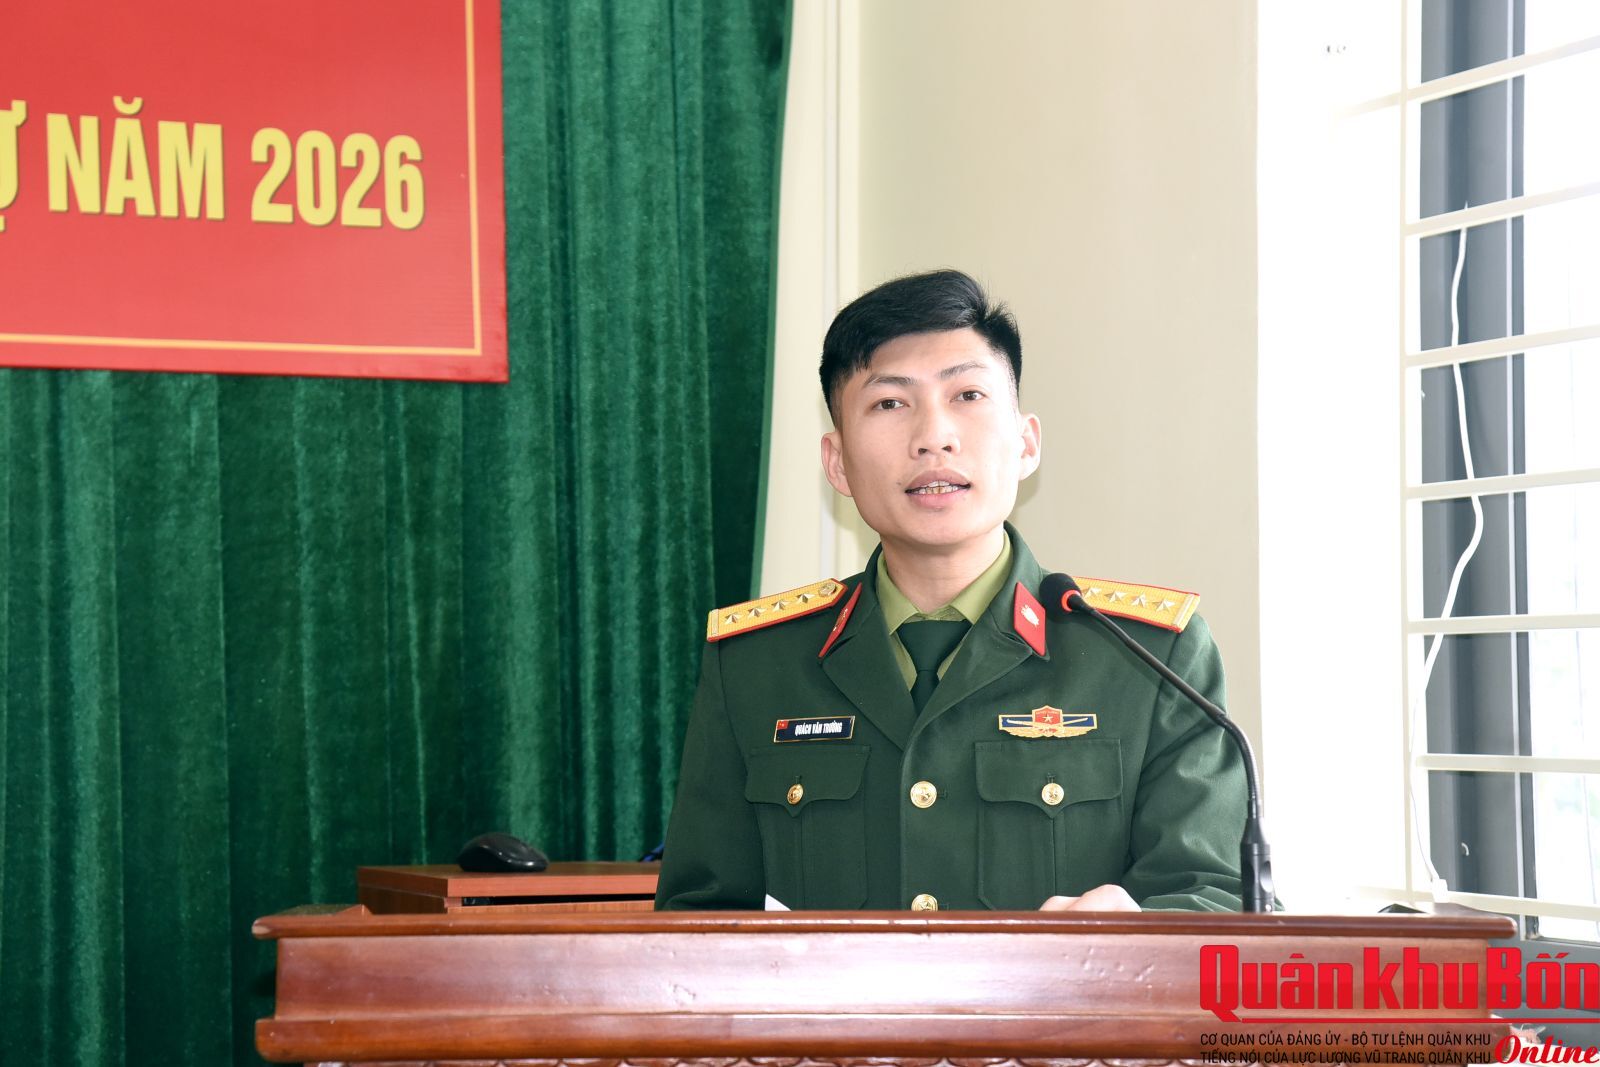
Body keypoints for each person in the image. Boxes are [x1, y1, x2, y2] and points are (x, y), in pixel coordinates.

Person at [654, 269, 1245, 912]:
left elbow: (1217, 896)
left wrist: (1127, 934)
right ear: (837, 462)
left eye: (967, 394)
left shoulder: (1148, 657)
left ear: (1026, 444)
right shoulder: (755, 664)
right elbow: (698, 919)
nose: (933, 436)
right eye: (890, 403)